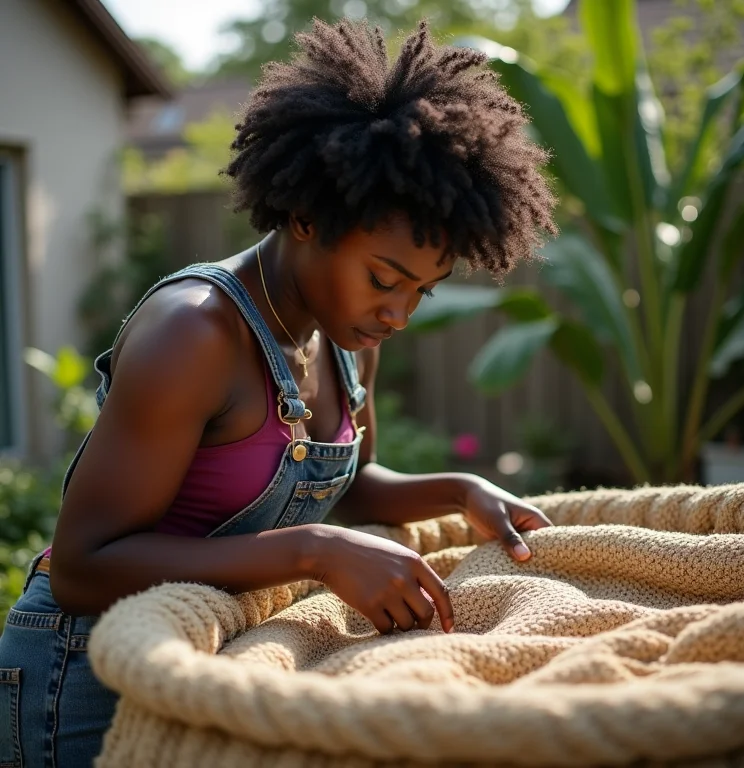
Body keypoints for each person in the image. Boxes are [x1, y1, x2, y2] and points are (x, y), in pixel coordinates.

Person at [0, 17, 558, 767]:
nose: (397, 314)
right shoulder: (194, 334)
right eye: (384, 279)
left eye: (421, 292)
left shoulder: (348, 338)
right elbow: (81, 566)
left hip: (210, 663)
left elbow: (348, 487)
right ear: (306, 218)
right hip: (80, 678)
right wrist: (315, 551)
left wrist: (459, 491)